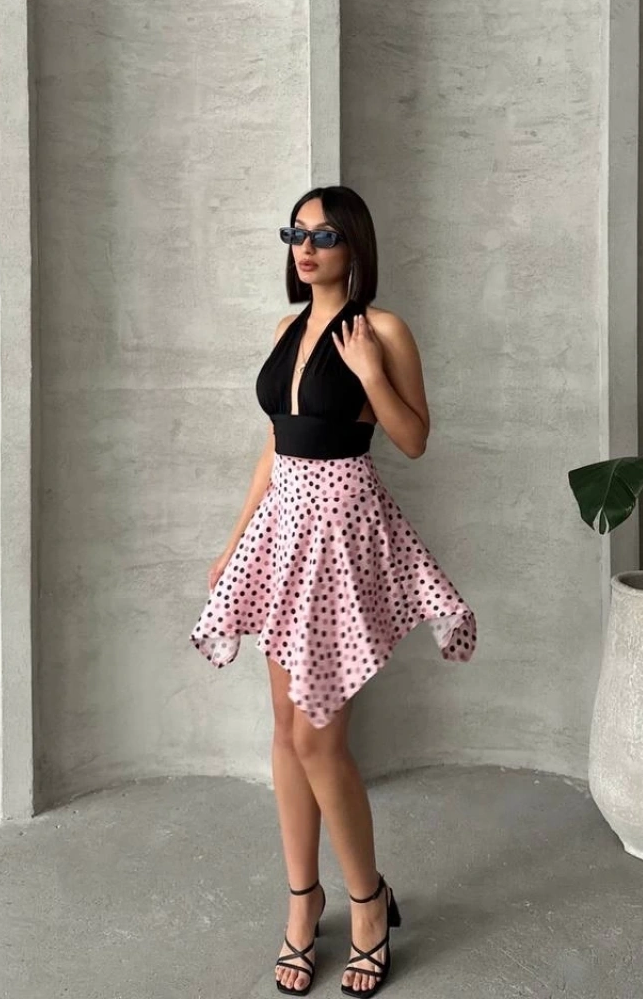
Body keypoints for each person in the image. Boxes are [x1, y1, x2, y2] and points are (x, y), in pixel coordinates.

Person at [190, 184, 476, 995]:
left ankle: (368, 902)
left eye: (322, 234)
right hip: (283, 531)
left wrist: (371, 375)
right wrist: (235, 539)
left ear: (354, 245)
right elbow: (275, 444)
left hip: (341, 533)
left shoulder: (382, 329)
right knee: (285, 729)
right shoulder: (286, 329)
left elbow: (414, 438)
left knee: (320, 738)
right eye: (296, 233)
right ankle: (301, 899)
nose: (306, 248)